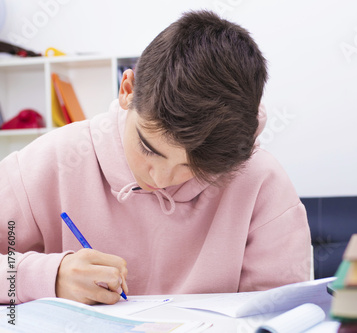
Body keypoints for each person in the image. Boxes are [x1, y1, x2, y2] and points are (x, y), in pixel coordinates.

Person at [0, 10, 311, 305]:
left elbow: (279, 314)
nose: (160, 180)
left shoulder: (261, 181)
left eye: (193, 168)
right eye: (149, 148)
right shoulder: (53, 160)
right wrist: (46, 277)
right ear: (127, 89)